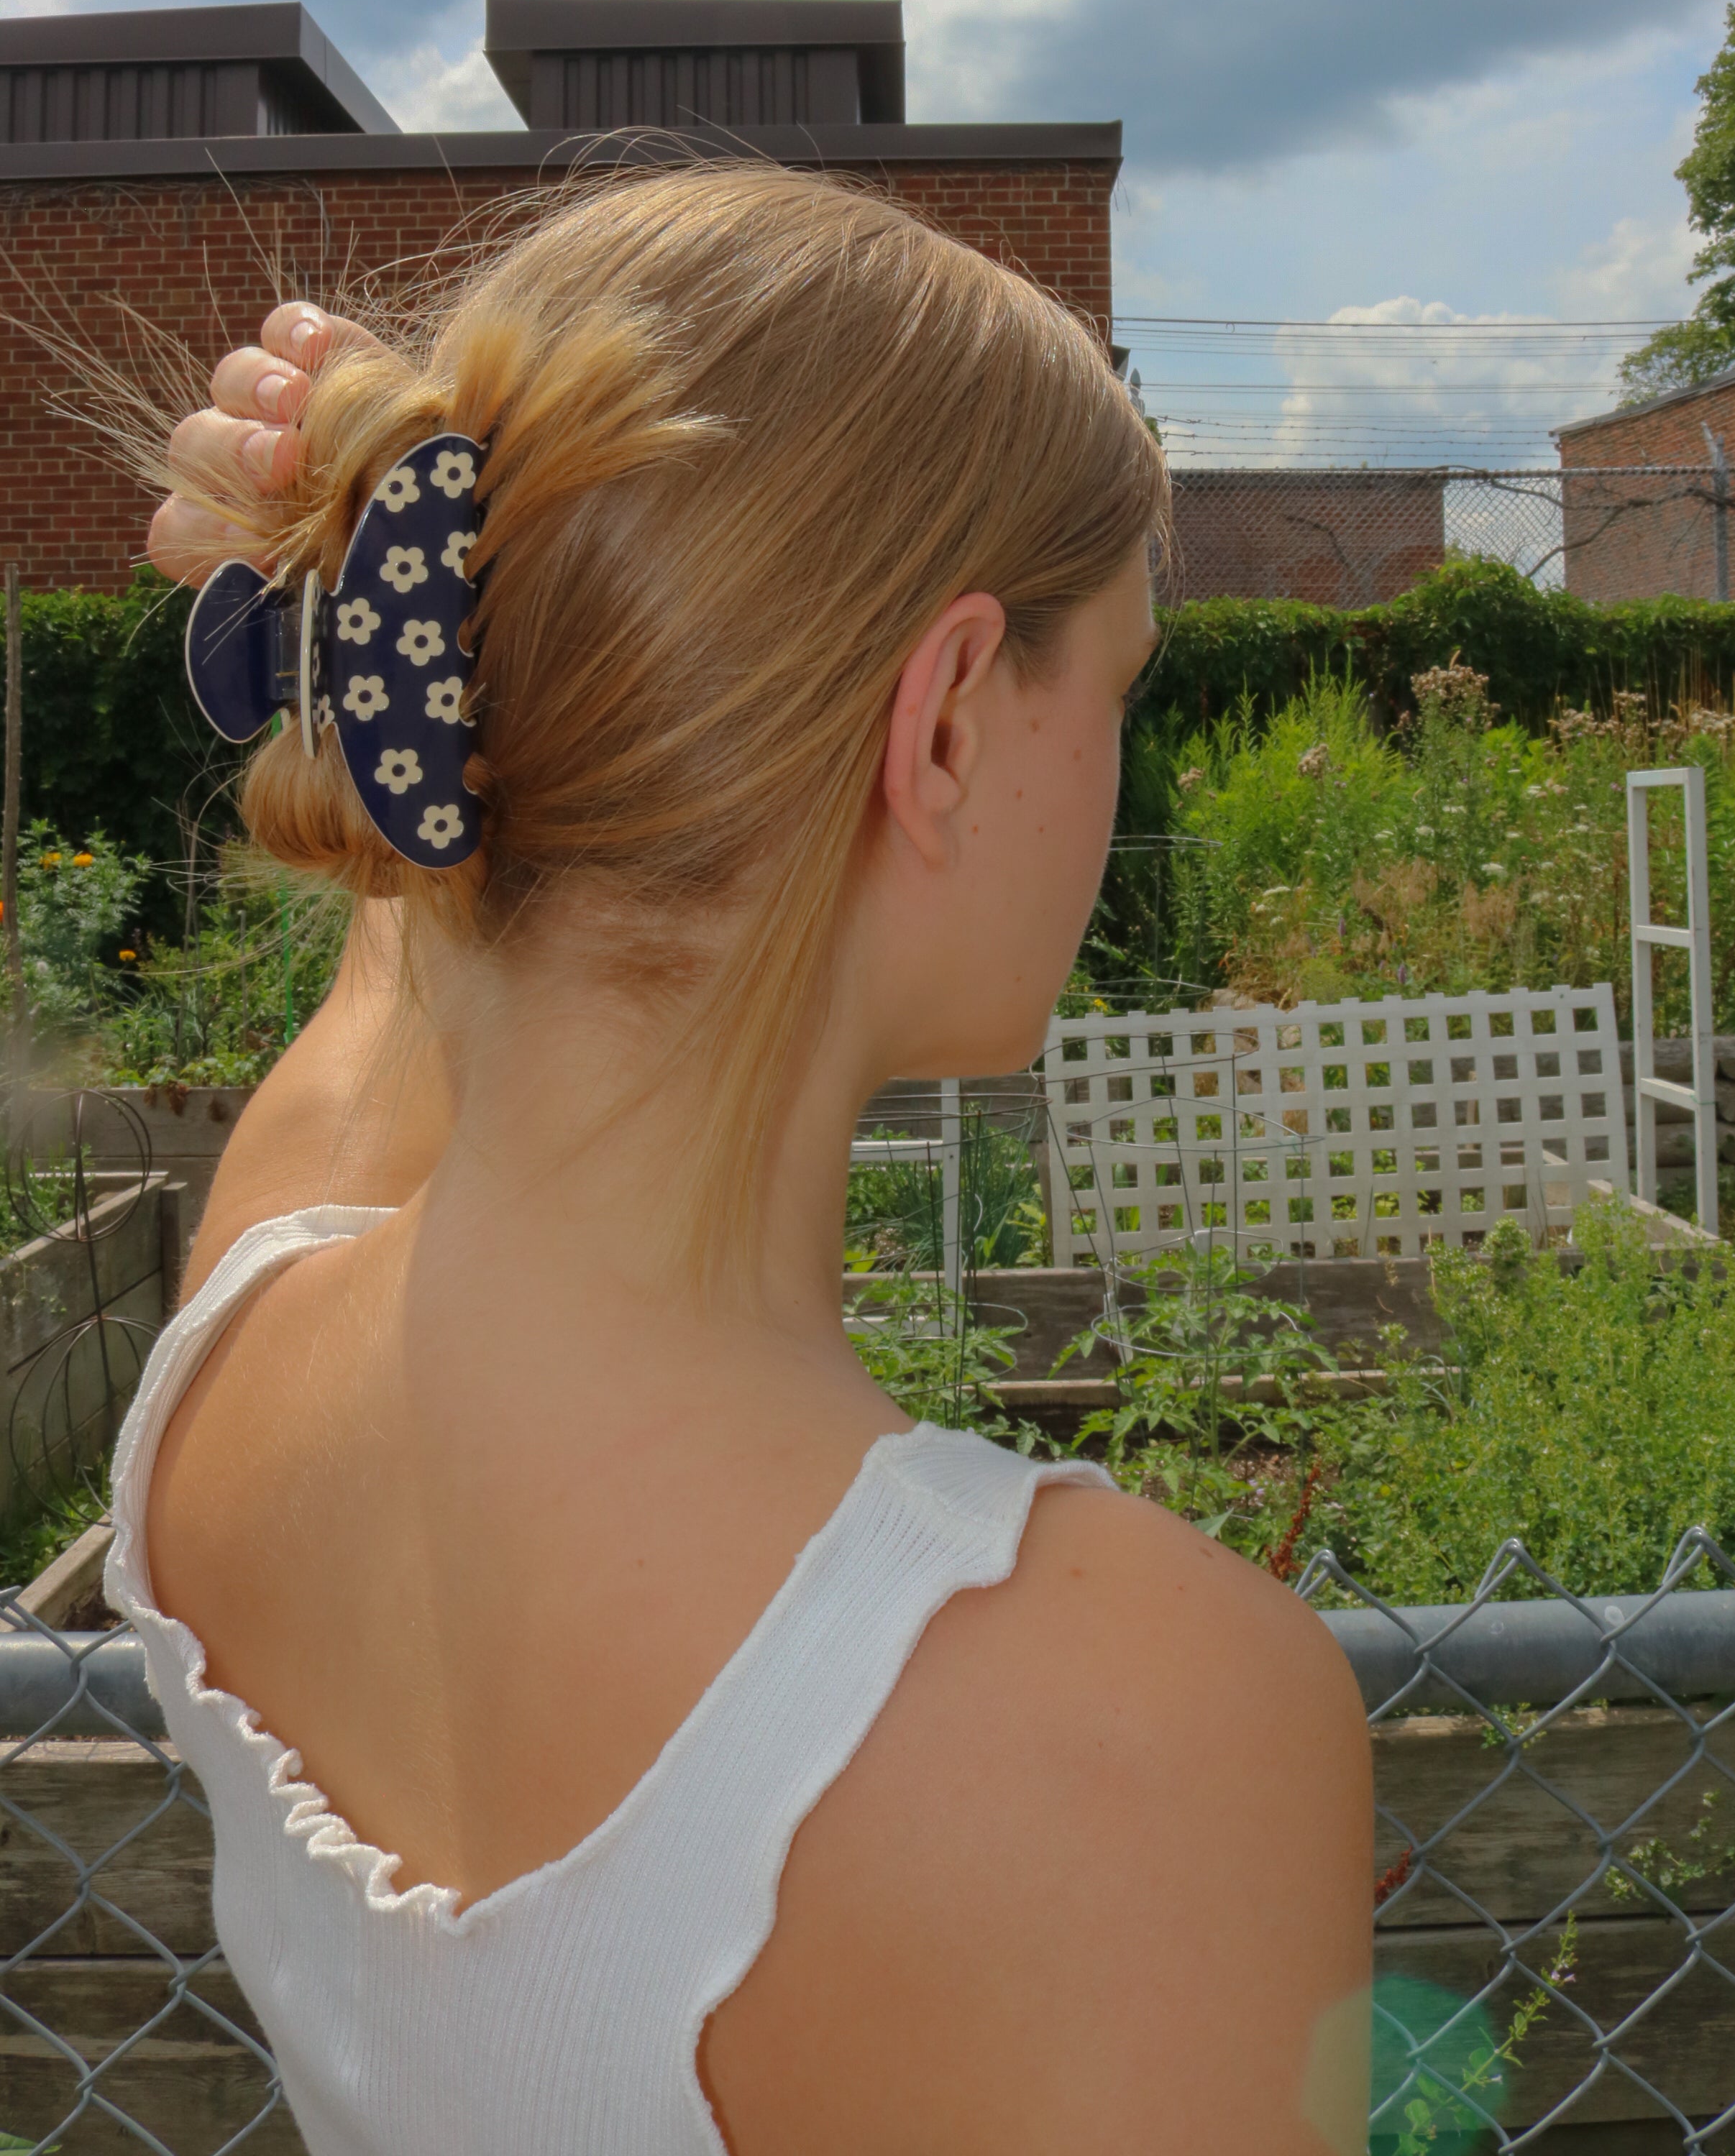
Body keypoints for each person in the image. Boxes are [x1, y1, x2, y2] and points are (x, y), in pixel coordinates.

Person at [111, 164, 1373, 2155]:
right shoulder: (1136, 1715)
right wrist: (424, 547)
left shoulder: (236, 1343)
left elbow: (423, 922)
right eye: (1119, 681)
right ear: (948, 718)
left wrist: (428, 576)